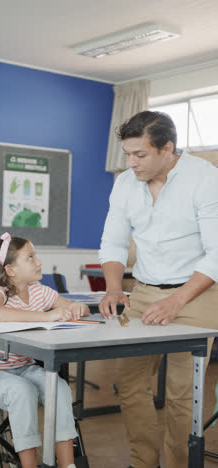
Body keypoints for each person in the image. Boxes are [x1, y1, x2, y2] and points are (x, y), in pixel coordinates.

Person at [98, 110, 218, 468]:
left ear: (168, 149)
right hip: (146, 292)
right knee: (130, 381)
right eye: (128, 154)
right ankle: (143, 462)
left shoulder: (205, 179)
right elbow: (113, 242)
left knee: (182, 394)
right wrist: (114, 288)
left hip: (197, 294)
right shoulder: (124, 184)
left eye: (140, 155)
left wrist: (175, 302)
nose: (131, 164)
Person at [0, 232, 90, 468]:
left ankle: (68, 464)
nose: (38, 262)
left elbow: (76, 308)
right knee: (22, 391)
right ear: (10, 270)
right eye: (30, 257)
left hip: (25, 368)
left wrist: (78, 307)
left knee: (58, 387)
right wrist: (45, 316)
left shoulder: (39, 291)